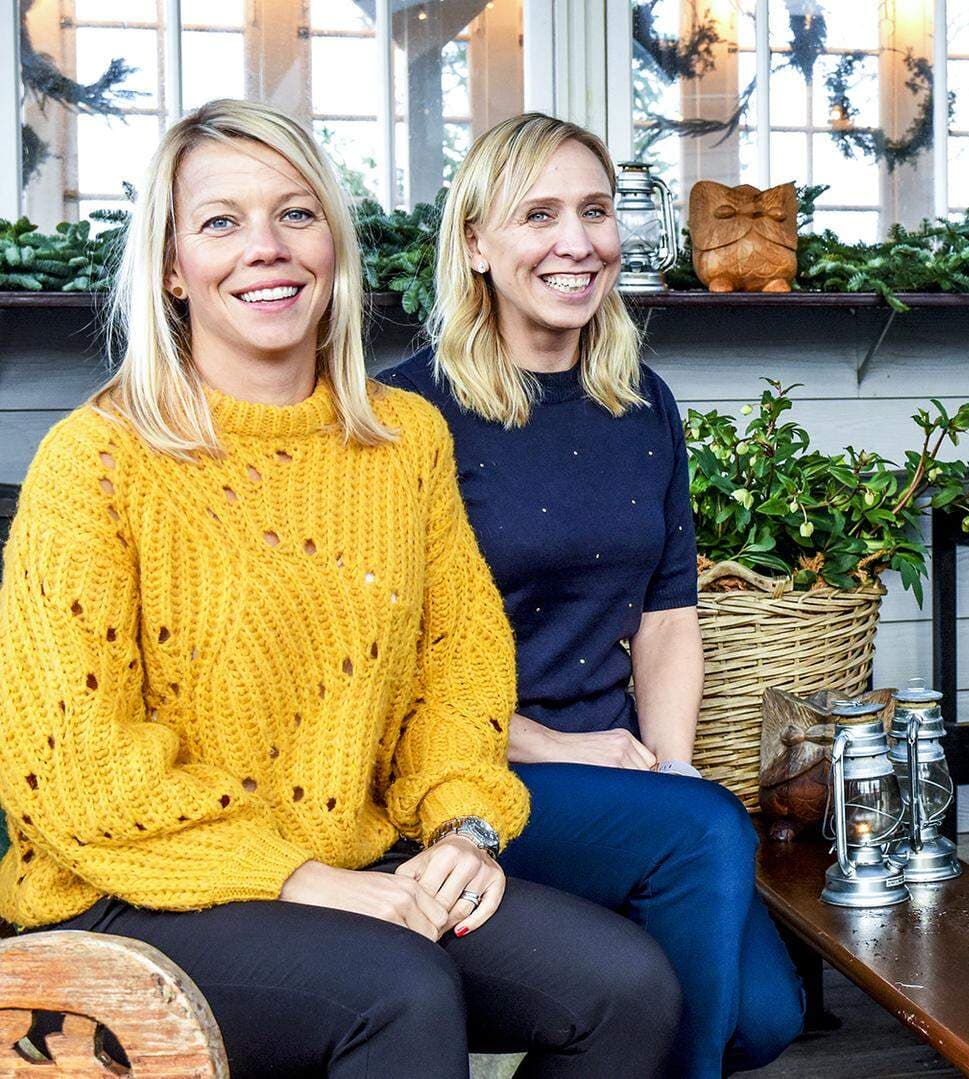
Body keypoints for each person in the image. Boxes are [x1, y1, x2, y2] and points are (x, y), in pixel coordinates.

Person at [0, 99, 680, 1077]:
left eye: (296, 214)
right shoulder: (98, 460)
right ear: (169, 268)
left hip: (357, 864)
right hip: (134, 884)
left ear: (334, 245)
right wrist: (299, 875)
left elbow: (457, 673)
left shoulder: (406, 441)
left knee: (626, 986)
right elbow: (78, 774)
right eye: (220, 222)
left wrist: (463, 827)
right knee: (398, 985)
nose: (266, 249)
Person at [379, 112, 802, 1078]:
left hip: (613, 766)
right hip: (466, 778)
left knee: (764, 1017)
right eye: (539, 215)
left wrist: (670, 765)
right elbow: (389, 673)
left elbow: (667, 613)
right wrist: (567, 749)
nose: (578, 242)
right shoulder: (410, 417)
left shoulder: (640, 398)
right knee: (706, 847)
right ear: (477, 244)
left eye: (597, 211)